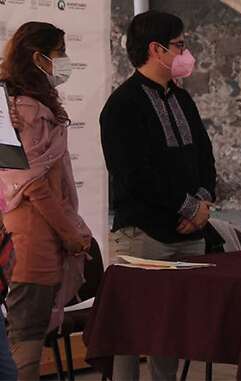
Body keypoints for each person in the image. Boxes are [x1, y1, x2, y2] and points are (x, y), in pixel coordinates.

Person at [99, 11, 216, 381]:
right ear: (156, 49)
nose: (186, 52)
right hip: (144, 236)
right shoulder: (122, 105)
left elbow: (204, 155)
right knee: (132, 332)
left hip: (190, 234)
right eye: (180, 45)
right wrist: (188, 207)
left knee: (174, 331)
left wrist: (204, 203)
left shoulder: (181, 99)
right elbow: (134, 174)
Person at [0, 21, 92, 380]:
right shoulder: (29, 110)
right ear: (39, 58)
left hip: (25, 234)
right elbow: (36, 184)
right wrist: (70, 231)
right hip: (33, 241)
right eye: (60, 53)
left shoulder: (18, 105)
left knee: (24, 336)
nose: (66, 60)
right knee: (26, 339)